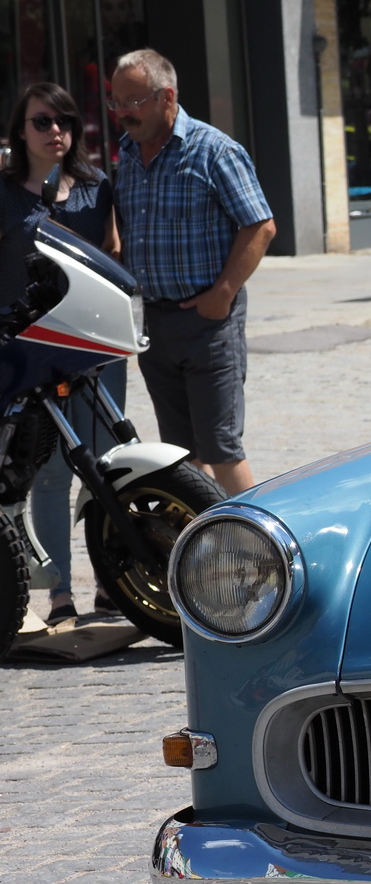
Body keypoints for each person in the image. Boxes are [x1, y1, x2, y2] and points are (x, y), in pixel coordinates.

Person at [111, 48, 275, 497]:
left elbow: (261, 226)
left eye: (133, 100)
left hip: (208, 324)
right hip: (155, 326)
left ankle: (252, 549)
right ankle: (201, 546)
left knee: (221, 448)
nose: (123, 112)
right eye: (116, 102)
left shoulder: (214, 150)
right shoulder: (125, 156)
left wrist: (223, 292)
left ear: (167, 97)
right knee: (178, 455)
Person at [2, 84, 121, 624]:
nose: (56, 131)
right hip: (35, 348)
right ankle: (59, 596)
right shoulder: (4, 192)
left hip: (95, 344)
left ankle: (113, 583)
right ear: (20, 131)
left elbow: (113, 252)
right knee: (49, 472)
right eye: (42, 121)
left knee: (105, 466)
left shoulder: (97, 188)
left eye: (65, 121)